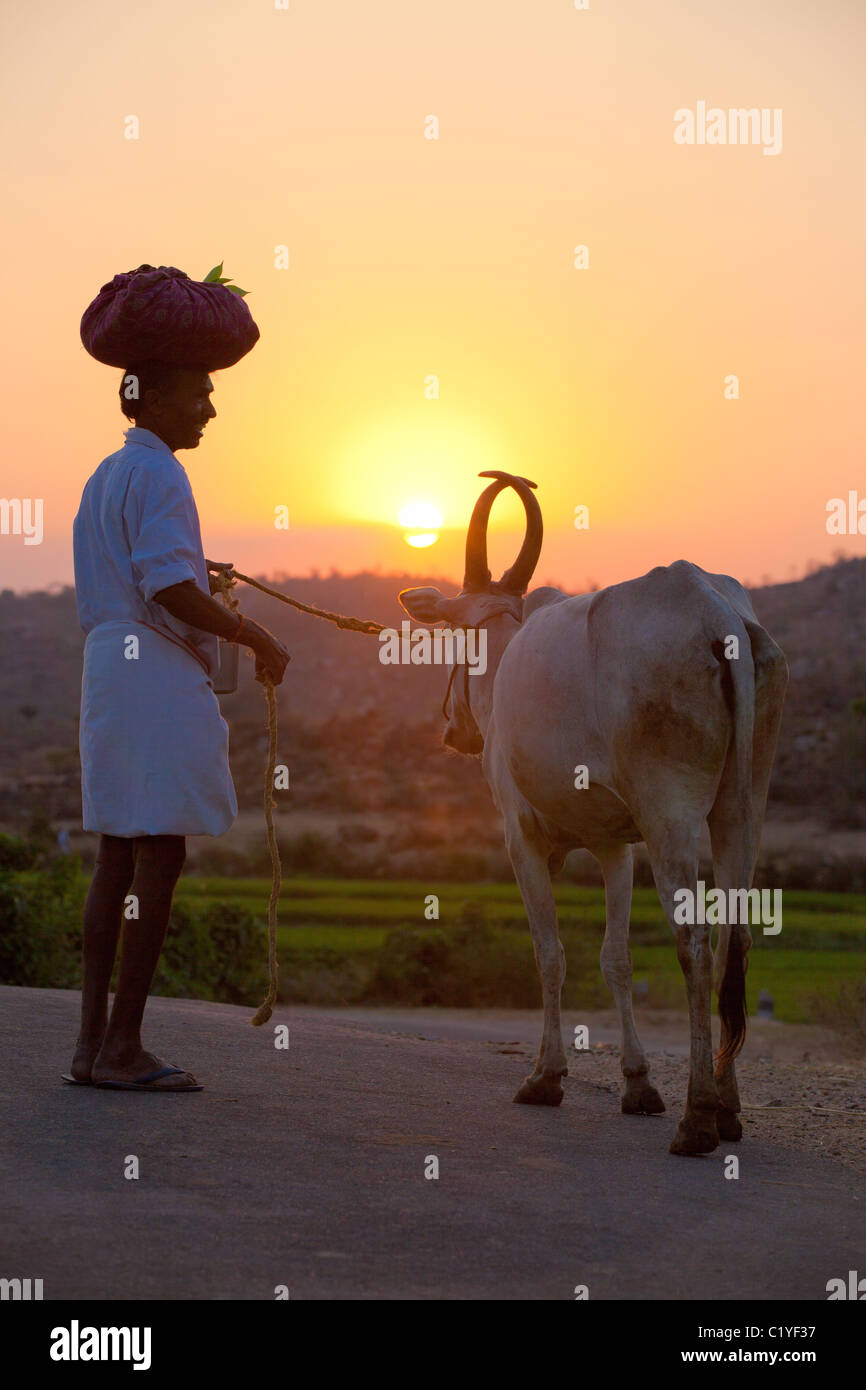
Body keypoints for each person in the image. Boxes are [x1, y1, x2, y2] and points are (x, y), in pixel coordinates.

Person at [66, 361, 289, 1092]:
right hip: (152, 673)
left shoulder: (106, 474)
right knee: (158, 853)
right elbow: (164, 584)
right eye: (200, 395)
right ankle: (124, 1048)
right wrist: (253, 633)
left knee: (117, 854)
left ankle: (92, 1045)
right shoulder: (162, 475)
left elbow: (153, 570)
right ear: (154, 397)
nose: (210, 412)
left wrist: (196, 572)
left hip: (109, 669)